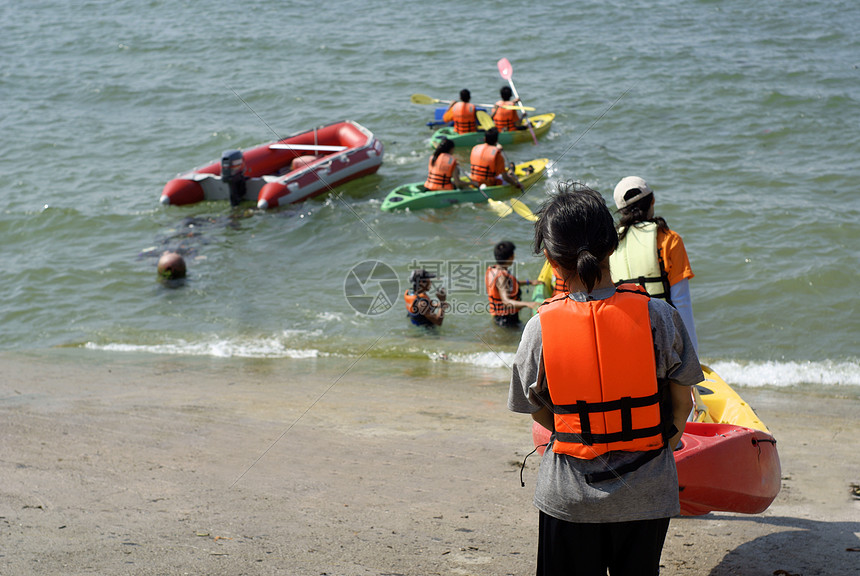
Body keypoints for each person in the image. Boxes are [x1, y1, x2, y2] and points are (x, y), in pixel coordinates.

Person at [508, 182, 702, 576]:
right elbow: (684, 403)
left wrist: (572, 429)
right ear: (612, 246)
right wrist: (669, 437)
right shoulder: (660, 317)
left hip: (570, 496)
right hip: (648, 490)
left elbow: (535, 411)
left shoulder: (539, 329)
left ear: (549, 258)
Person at [609, 176, 699, 352]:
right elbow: (682, 302)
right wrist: (692, 355)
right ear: (653, 201)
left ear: (621, 211)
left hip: (625, 341)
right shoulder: (669, 240)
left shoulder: (610, 245)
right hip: (665, 343)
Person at [486, 240, 537, 327]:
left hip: (499, 316)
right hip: (506, 318)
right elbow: (506, 301)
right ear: (510, 257)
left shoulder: (493, 270)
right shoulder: (502, 277)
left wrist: (529, 282)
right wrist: (529, 304)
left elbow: (507, 286)